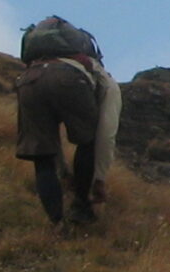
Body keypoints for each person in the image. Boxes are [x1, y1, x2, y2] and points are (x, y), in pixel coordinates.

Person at [15, 15, 120, 232]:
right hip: (71, 81)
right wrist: (99, 178)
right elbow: (106, 132)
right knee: (88, 141)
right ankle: (81, 207)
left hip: (28, 81)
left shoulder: (38, 60)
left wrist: (62, 172)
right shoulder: (101, 75)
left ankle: (57, 223)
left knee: (42, 156)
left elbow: (52, 147)